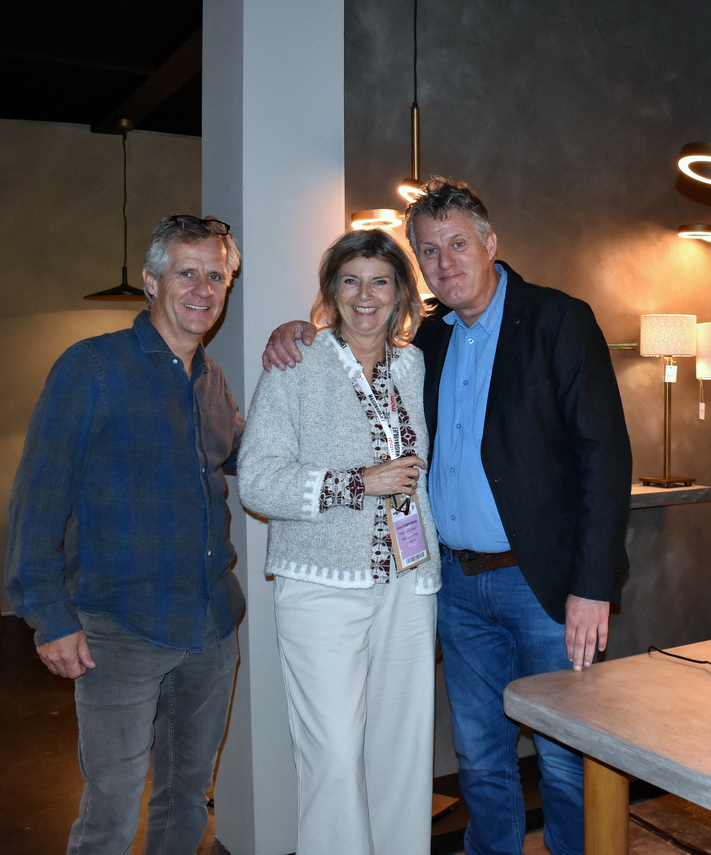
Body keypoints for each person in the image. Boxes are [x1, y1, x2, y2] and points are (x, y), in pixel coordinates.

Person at [263, 177, 631, 855]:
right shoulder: (424, 343)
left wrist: (593, 585)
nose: (445, 262)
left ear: (490, 242)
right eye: (429, 251)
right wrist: (297, 332)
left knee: (563, 758)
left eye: (457, 244)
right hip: (455, 586)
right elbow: (349, 347)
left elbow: (605, 457)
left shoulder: (558, 319)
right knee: (481, 758)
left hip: (545, 586)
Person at [4, 215, 245, 854]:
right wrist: (49, 616)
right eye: (186, 273)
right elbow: (38, 499)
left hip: (211, 626)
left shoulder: (211, 379)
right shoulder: (93, 367)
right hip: (119, 628)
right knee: (110, 811)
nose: (202, 289)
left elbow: (248, 457)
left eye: (215, 276)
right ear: (151, 281)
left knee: (186, 799)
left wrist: (299, 346)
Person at [239, 229, 440, 854]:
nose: (365, 295)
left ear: (400, 292)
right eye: (351, 280)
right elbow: (257, 481)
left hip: (409, 584)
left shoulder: (414, 364)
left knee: (404, 752)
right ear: (331, 291)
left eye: (380, 281)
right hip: (320, 585)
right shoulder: (296, 363)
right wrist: (358, 483)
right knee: (331, 754)